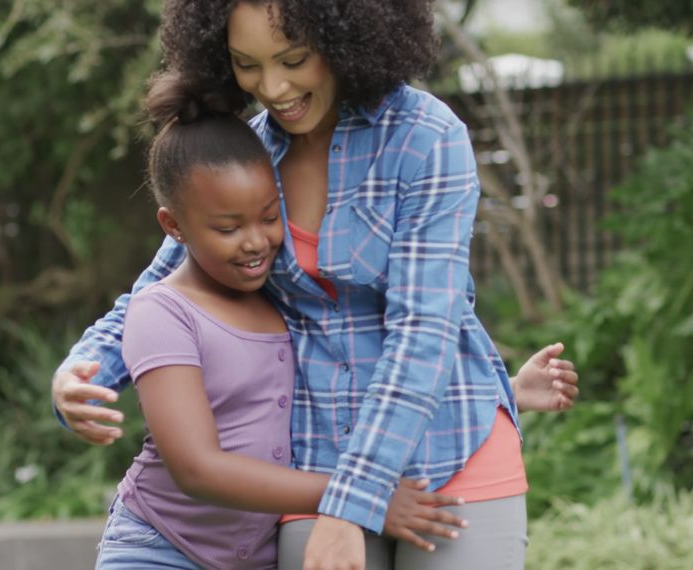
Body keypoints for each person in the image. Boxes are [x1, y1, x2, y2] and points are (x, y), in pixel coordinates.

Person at [55, 1, 580, 568]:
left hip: (450, 448)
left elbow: (422, 333)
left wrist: (351, 503)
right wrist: (82, 372)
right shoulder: (246, 154)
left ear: (346, 35)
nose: (273, 87)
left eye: (294, 59)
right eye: (246, 64)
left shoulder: (425, 138)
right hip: (316, 461)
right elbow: (164, 283)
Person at [96, 71, 469, 570]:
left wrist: (509, 390)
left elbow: (346, 372)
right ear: (173, 226)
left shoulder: (280, 297)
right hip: (161, 549)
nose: (255, 241)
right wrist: (357, 495)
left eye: (270, 217)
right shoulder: (162, 312)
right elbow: (197, 469)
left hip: (256, 556)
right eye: (228, 228)